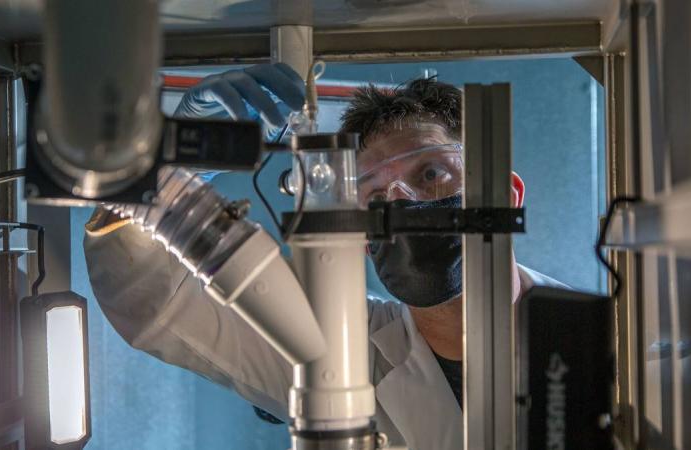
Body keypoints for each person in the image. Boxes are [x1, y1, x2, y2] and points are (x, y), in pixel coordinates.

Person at [83, 63, 566, 450]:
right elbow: (154, 300)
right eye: (374, 196)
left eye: (431, 173)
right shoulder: (336, 345)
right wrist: (170, 170)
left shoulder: (613, 341)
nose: (399, 203)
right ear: (360, 236)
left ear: (506, 196)